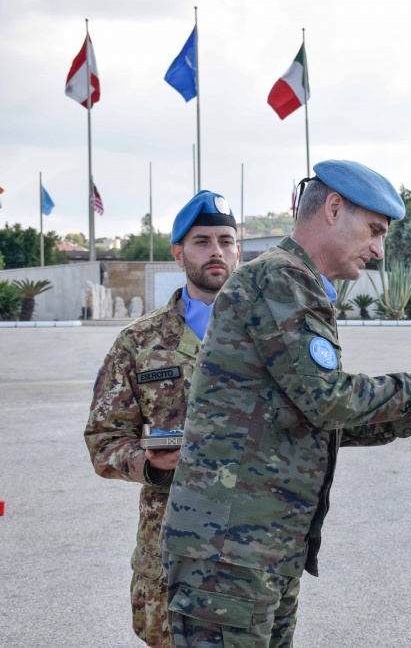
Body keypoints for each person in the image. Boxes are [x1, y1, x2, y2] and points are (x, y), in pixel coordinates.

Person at [160, 160, 411, 646]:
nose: (379, 250)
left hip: (256, 547)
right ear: (333, 209)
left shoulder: (298, 282)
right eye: (374, 231)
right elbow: (326, 401)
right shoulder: (280, 279)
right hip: (228, 552)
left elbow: (305, 418)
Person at [84, 190, 241, 647]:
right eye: (201, 241)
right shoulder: (139, 343)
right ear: (178, 253)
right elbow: (103, 438)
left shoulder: (267, 334)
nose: (216, 252)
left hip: (252, 544)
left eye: (226, 241)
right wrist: (148, 463)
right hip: (172, 546)